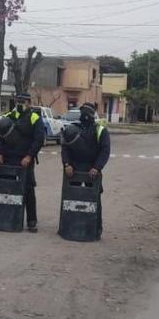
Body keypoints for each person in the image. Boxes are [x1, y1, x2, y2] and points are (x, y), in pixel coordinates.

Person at [0, 92, 46, 232]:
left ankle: (31, 221)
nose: (20, 103)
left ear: (29, 103)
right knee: (6, 189)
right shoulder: (8, 117)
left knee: (28, 190)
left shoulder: (35, 117)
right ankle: (5, 218)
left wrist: (29, 156)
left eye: (23, 101)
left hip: (25, 160)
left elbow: (38, 140)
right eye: (18, 101)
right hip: (7, 159)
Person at [61, 102, 111, 238]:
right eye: (82, 112)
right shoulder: (73, 128)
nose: (84, 116)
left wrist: (97, 167)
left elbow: (105, 151)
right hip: (74, 169)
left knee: (94, 200)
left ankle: (95, 230)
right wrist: (67, 164)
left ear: (92, 114)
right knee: (72, 198)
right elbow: (65, 147)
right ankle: (70, 227)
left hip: (92, 170)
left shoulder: (100, 130)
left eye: (87, 113)